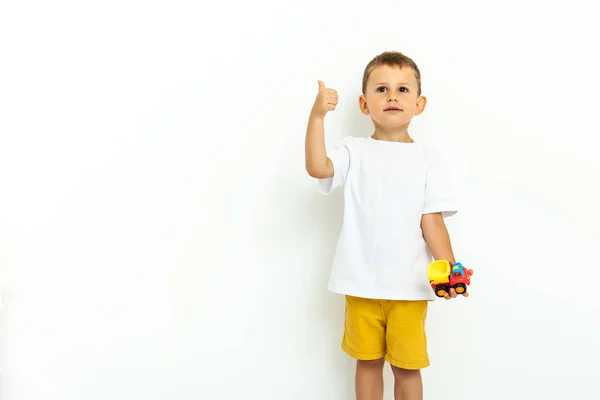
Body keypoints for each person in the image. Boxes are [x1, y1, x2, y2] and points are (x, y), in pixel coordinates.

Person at [304, 51, 473, 400]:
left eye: (402, 89)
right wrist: (318, 115)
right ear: (364, 104)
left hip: (408, 289)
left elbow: (433, 223)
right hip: (361, 285)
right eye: (381, 89)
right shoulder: (353, 151)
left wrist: (452, 270)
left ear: (419, 103)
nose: (392, 96)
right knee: (366, 363)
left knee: (408, 366)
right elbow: (318, 167)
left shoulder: (429, 160)